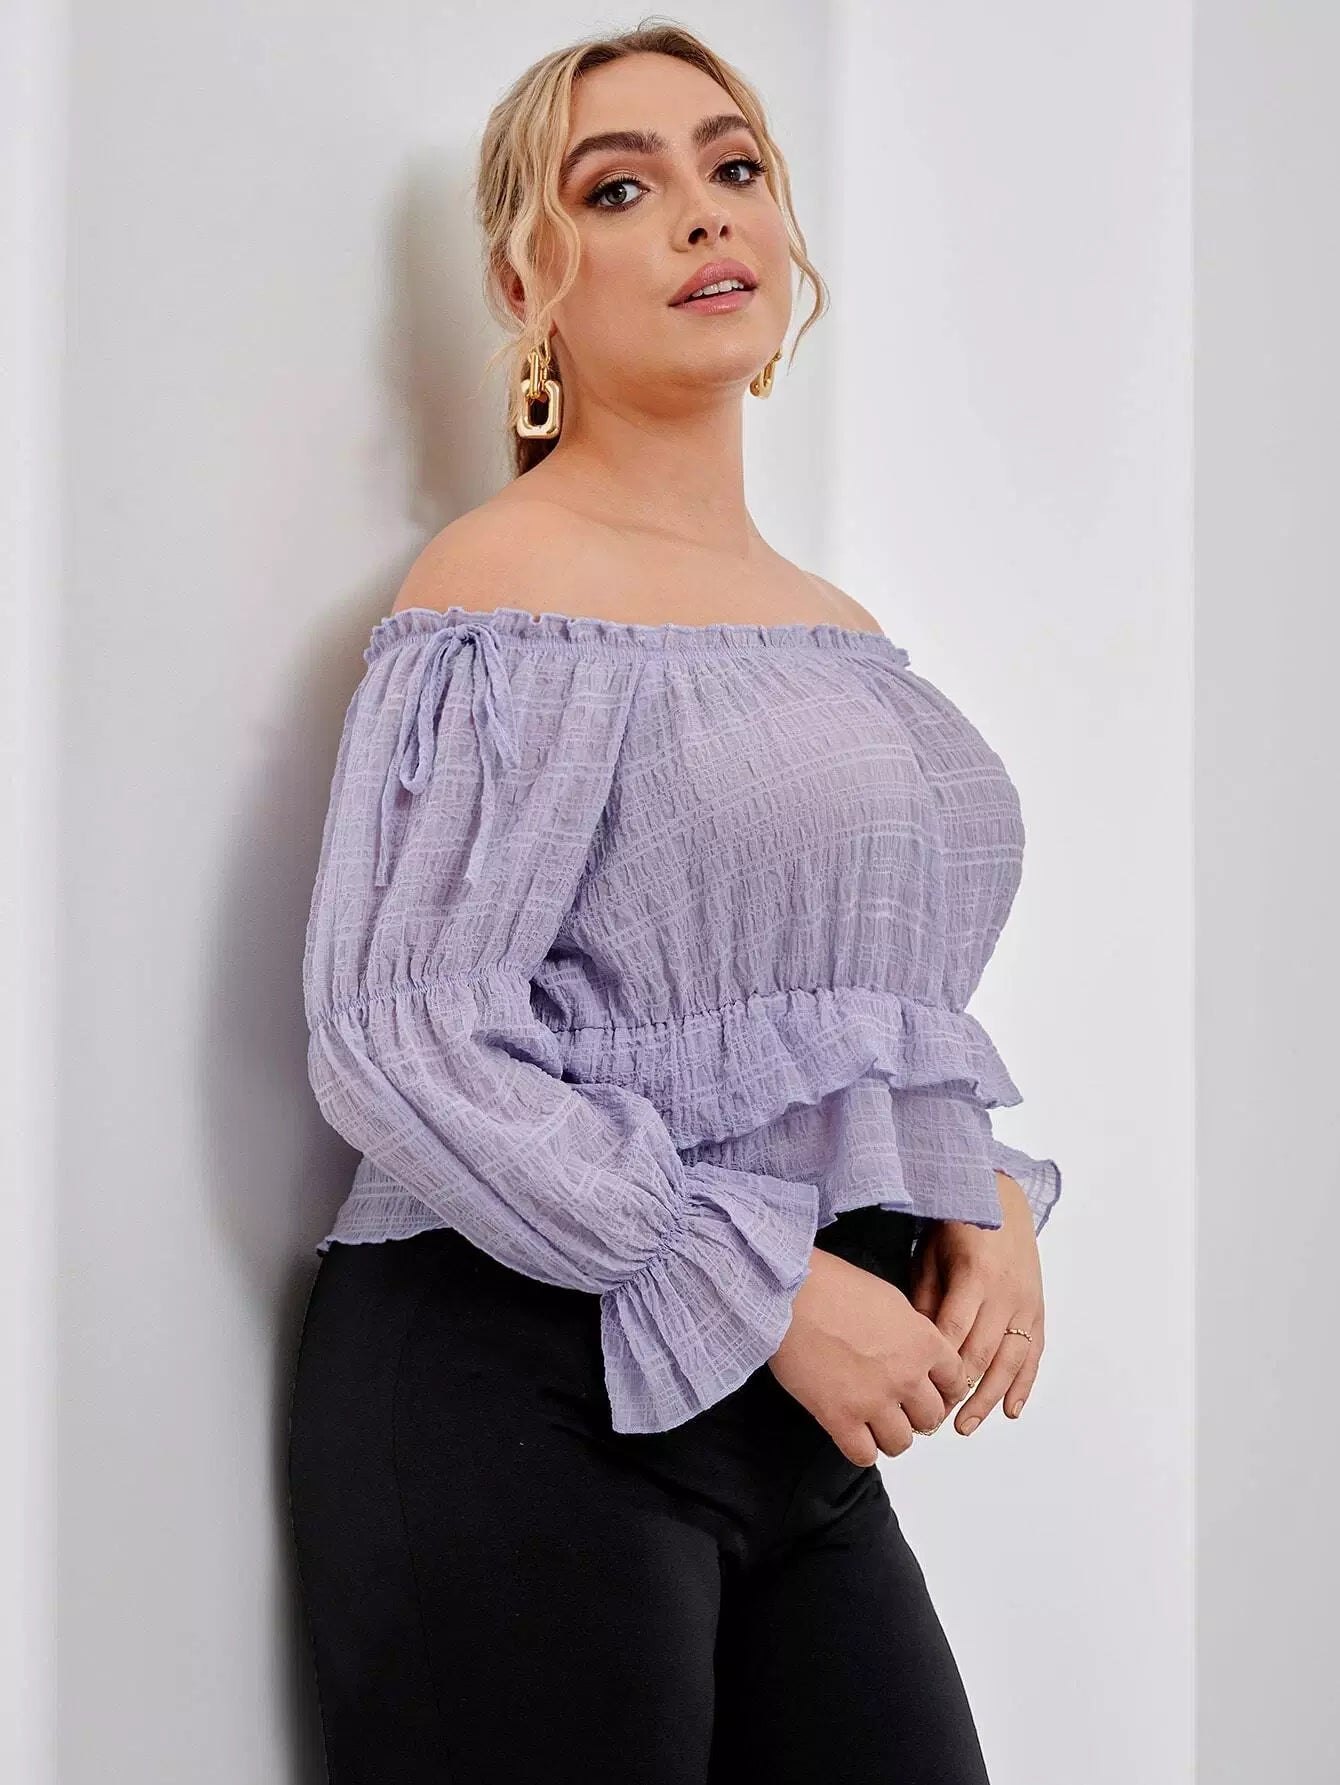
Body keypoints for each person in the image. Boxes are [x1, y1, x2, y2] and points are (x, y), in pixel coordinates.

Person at [286, 22, 1061, 1784]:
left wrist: (986, 1187)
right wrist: (760, 1283)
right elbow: (398, 1035)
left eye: (735, 167)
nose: (704, 214)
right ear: (525, 286)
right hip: (529, 1379)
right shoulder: (503, 589)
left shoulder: (839, 629)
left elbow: (835, 1021)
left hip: (791, 1420)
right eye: (618, 190)